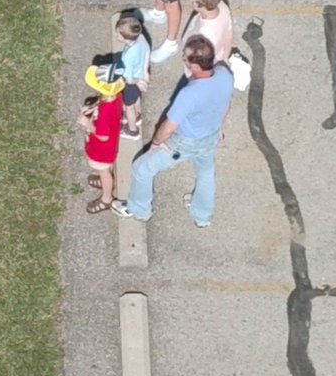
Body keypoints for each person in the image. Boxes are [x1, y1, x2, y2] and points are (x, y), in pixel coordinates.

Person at [112, 35, 234, 227]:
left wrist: (156, 143)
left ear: (193, 64)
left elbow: (168, 126)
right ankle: (202, 216)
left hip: (184, 143)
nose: (182, 57)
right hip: (210, 137)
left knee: (141, 169)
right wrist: (218, 126)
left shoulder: (189, 93)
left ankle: (139, 210)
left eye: (184, 56)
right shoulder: (225, 74)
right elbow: (227, 103)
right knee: (205, 172)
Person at [79, 66, 125, 214]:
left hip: (101, 150)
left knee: (104, 170)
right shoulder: (115, 96)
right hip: (110, 148)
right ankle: (105, 182)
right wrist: (93, 109)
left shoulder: (106, 111)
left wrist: (88, 124)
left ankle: (106, 198)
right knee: (107, 168)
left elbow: (103, 135)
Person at [181, 0, 234, 67]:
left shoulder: (205, 32)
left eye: (194, 1)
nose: (192, 2)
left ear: (203, 6)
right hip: (220, 53)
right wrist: (225, 57)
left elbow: (200, 59)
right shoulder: (222, 5)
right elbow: (229, 34)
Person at [116, 14, 150, 140]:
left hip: (131, 83)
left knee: (128, 106)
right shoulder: (141, 37)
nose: (116, 36)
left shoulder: (128, 56)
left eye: (118, 34)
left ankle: (132, 130)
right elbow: (147, 51)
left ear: (126, 38)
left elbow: (128, 78)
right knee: (137, 98)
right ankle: (138, 116)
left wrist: (138, 81)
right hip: (140, 75)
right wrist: (145, 73)